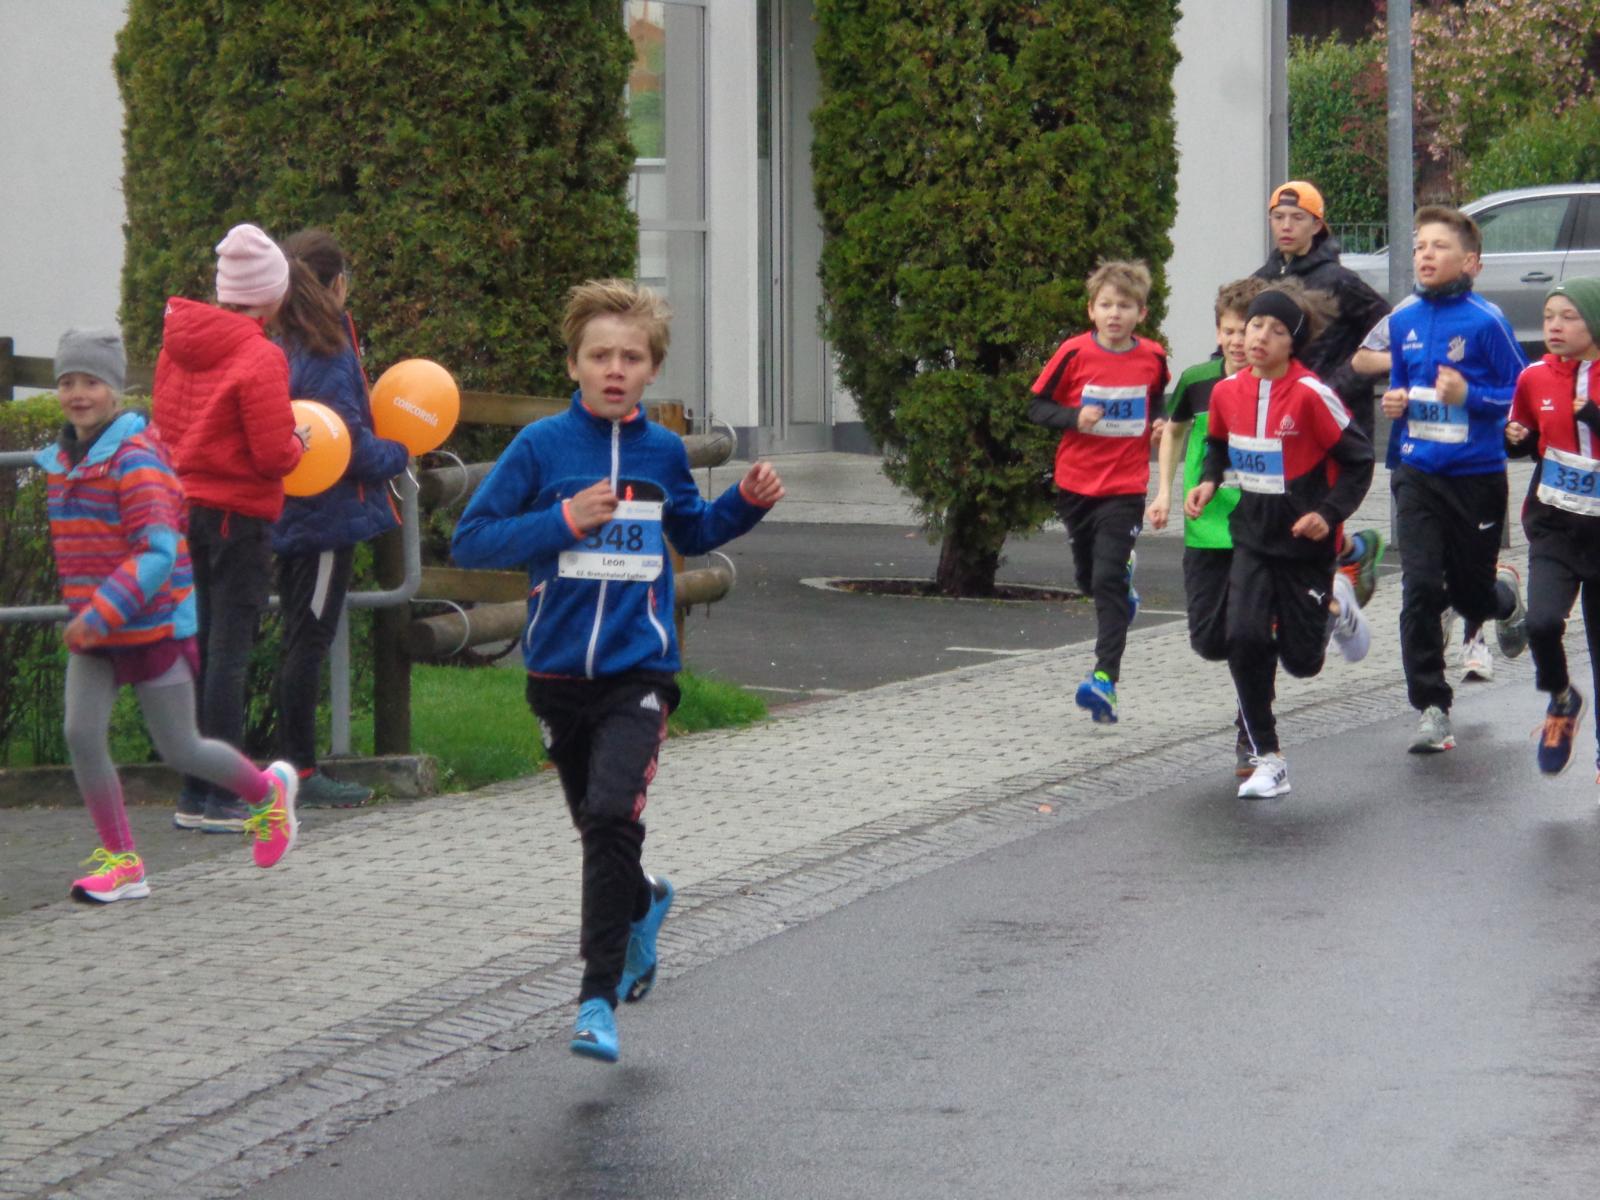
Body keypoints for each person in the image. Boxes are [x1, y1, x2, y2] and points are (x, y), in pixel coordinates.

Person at [451, 279, 784, 1064]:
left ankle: (595, 1000)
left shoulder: (662, 452)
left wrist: (745, 503)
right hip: (558, 674)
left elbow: (692, 533)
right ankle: (644, 900)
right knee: (599, 829)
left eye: (631, 358)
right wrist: (562, 520)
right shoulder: (542, 448)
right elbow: (472, 538)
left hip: (640, 671)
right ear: (573, 364)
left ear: (652, 370)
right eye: (599, 356)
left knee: (610, 817)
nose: (614, 369)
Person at [41, 329, 300, 902]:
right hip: (97, 633)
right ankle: (123, 862)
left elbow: (158, 552)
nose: (77, 393)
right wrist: (92, 617)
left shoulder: (135, 461)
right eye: (67, 382)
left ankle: (266, 794)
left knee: (182, 747)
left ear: (115, 390)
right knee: (80, 733)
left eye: (90, 382)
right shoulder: (63, 464)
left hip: (152, 627)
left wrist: (102, 611)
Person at [1187, 282, 1374, 798]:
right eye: (1254, 325)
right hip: (1251, 539)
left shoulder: (1312, 394)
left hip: (1305, 546)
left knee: (1302, 662)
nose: (1259, 337)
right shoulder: (1226, 392)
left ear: (1293, 343)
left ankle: (1337, 604)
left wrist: (1327, 514)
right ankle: (1268, 757)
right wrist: (1209, 480)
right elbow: (1218, 444)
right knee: (1243, 638)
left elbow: (1359, 461)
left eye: (1274, 330)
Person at [152, 223, 306, 832]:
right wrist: (299, 442)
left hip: (181, 509)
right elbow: (271, 454)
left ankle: (193, 792)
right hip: (237, 517)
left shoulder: (176, 346)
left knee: (197, 646)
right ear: (270, 295)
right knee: (229, 656)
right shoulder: (261, 355)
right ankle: (223, 795)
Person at [1381, 205, 1530, 753]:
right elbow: (1401, 384)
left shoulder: (1486, 322)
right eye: (1420, 245)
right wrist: (1396, 402)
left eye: (1439, 246)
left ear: (1469, 261)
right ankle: (1432, 706)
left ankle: (1503, 598)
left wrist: (1471, 397)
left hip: (1475, 478)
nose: (1425, 254)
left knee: (1469, 595)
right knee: (1420, 588)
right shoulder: (1403, 320)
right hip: (1418, 473)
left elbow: (1523, 394)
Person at [270, 230, 409, 807]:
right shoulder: (326, 350)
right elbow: (347, 445)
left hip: (292, 512)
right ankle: (299, 772)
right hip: (322, 519)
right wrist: (400, 452)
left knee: (297, 636)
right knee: (308, 640)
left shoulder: (282, 340)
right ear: (339, 285)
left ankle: (288, 768)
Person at [1029, 259, 1170, 725]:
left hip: (1125, 486)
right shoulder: (1073, 353)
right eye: (1106, 305)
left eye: (1124, 306)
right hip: (1076, 484)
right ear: (1091, 310)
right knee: (1089, 581)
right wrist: (1075, 418)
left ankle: (1104, 679)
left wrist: (1159, 422)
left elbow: (1157, 396)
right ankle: (1122, 586)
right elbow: (1036, 407)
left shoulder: (1153, 357)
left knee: (1106, 580)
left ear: (1141, 313)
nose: (1115, 314)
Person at [1147, 276, 1263, 775]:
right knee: (1209, 638)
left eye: (1246, 330)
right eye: (1228, 331)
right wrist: (1164, 491)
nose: (1237, 342)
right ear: (1218, 333)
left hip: (1257, 528)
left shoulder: (1275, 383)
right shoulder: (1198, 381)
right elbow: (1173, 433)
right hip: (1204, 527)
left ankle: (1251, 732)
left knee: (1247, 636)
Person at [1256, 180, 1390, 601]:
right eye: (1279, 217)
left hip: (1335, 411)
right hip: (1281, 412)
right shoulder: (1262, 279)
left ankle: (1321, 602)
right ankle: (1354, 552)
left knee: (1316, 506)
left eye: (1297, 218)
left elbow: (1388, 332)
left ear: (1317, 225)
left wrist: (1345, 380)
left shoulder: (1340, 282)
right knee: (1289, 507)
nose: (1286, 226)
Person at [1504, 278, 1600, 776]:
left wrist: (1595, 417)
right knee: (1541, 623)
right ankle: (1561, 698)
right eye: (1548, 318)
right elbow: (1525, 440)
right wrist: (1515, 438)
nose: (1555, 327)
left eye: (1569, 317)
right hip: (1554, 527)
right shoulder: (1534, 377)